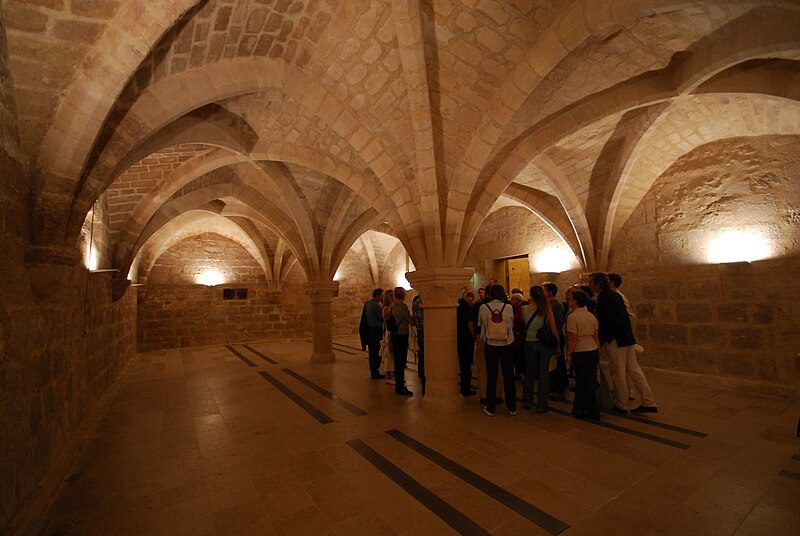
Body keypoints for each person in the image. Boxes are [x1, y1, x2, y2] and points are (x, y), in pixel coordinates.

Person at [589, 272, 657, 414]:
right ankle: (648, 401)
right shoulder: (615, 295)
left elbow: (607, 322)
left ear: (598, 284)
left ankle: (621, 404)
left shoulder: (604, 298)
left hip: (616, 340)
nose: (589, 285)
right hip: (626, 337)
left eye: (591, 283)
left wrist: (601, 342)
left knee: (618, 371)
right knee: (634, 369)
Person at [477, 285, 516, 416]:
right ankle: (512, 407)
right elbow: (511, 324)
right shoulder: (509, 307)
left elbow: (481, 323)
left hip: (491, 344)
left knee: (491, 375)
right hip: (507, 343)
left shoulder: (484, 307)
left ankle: (491, 407)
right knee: (508, 375)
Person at [522, 285, 560, 412]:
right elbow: (554, 329)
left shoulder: (525, 309)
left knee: (530, 373)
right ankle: (542, 405)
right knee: (544, 375)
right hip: (544, 344)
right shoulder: (546, 309)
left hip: (529, 343)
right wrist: (558, 345)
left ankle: (527, 401)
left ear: (531, 295)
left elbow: (523, 324)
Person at [565, 290, 600, 420]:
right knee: (586, 381)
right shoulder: (591, 316)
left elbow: (572, 338)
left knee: (585, 383)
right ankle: (578, 408)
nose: (569, 300)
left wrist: (569, 353)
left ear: (575, 301)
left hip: (581, 352)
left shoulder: (573, 317)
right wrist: (598, 350)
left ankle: (592, 412)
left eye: (571, 299)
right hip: (592, 350)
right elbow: (596, 337)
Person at [388, 287, 415, 396]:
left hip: (394, 335)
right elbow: (410, 320)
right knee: (401, 362)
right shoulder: (402, 308)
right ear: (403, 296)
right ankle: (400, 387)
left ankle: (399, 385)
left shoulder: (392, 306)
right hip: (401, 336)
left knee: (397, 361)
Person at [544, 282, 567, 400]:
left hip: (555, 337)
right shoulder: (549, 304)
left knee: (556, 365)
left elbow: (557, 324)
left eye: (545, 290)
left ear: (550, 292)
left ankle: (558, 388)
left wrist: (555, 339)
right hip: (551, 337)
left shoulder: (557, 305)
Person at [361, 288, 385, 379]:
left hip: (369, 330)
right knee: (376, 352)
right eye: (381, 295)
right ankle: (375, 372)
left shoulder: (368, 303)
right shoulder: (376, 305)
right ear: (378, 295)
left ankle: (373, 371)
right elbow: (381, 317)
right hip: (376, 330)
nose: (382, 297)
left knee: (372, 352)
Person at [457, 291, 476, 396]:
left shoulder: (458, 307)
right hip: (466, 339)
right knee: (466, 365)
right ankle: (465, 388)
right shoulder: (465, 307)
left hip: (459, 338)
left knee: (463, 364)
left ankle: (464, 387)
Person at [380, 289, 396, 385]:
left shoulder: (389, 307)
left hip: (390, 332)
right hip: (389, 333)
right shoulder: (386, 308)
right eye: (392, 296)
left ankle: (393, 376)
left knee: (391, 356)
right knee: (389, 356)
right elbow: (389, 321)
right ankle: (388, 376)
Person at [412, 293, 425, 395]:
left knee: (422, 353)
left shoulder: (417, 302)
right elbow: (422, 321)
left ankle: (422, 372)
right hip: (423, 331)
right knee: (424, 353)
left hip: (421, 330)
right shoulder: (419, 302)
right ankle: (423, 374)